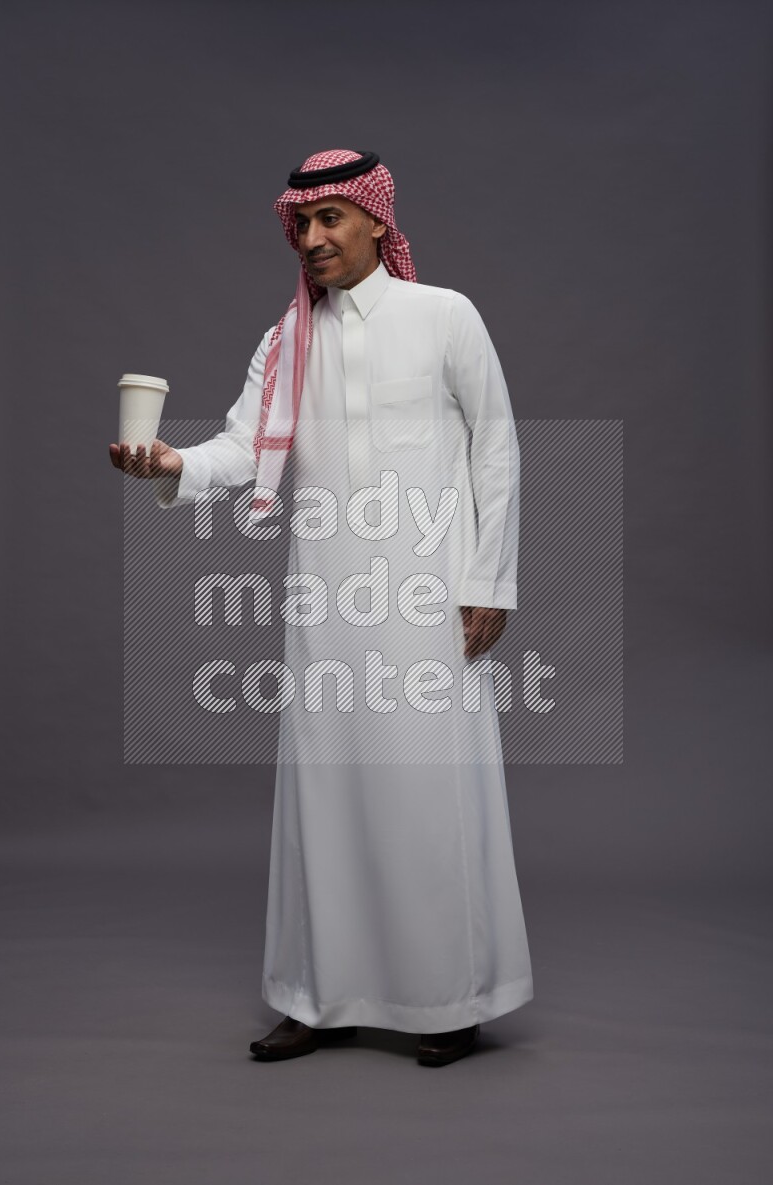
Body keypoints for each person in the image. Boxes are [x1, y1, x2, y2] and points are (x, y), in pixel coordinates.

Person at [109, 149, 532, 1067]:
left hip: (428, 599)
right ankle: (315, 994)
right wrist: (173, 466)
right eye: (301, 223)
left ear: (379, 222)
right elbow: (238, 444)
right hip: (326, 599)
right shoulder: (287, 339)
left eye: (331, 219)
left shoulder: (444, 316)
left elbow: (496, 449)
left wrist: (488, 581)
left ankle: (446, 1000)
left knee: (426, 794)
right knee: (324, 796)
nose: (313, 239)